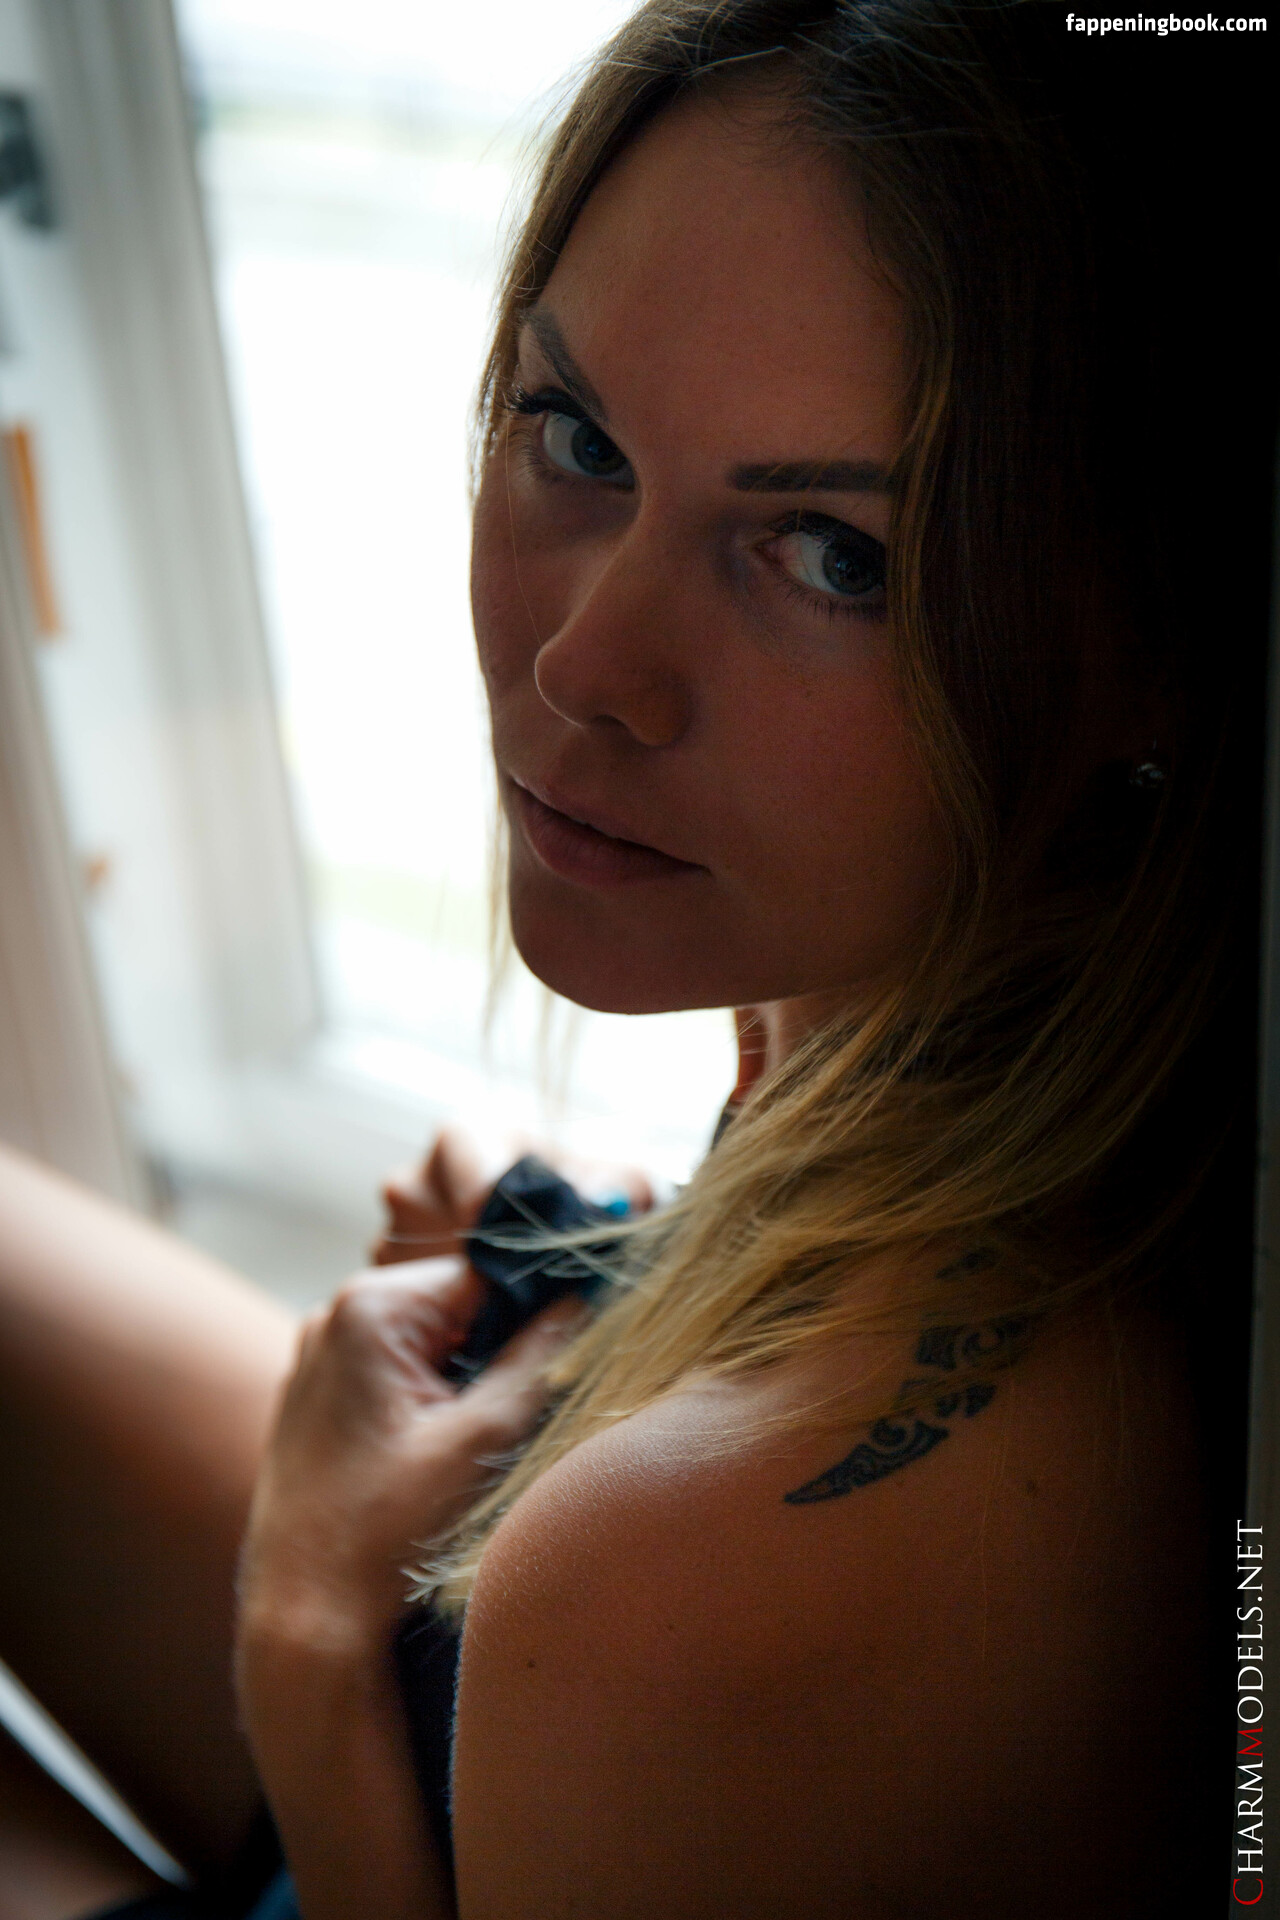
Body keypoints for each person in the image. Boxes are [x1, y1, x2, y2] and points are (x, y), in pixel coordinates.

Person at [1, 1, 1275, 1913]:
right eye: (578, 437)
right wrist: (629, 1257)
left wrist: (310, 1634)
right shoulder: (987, 1021)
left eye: (833, 556)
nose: (582, 663)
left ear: (1157, 647)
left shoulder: (689, 1575)